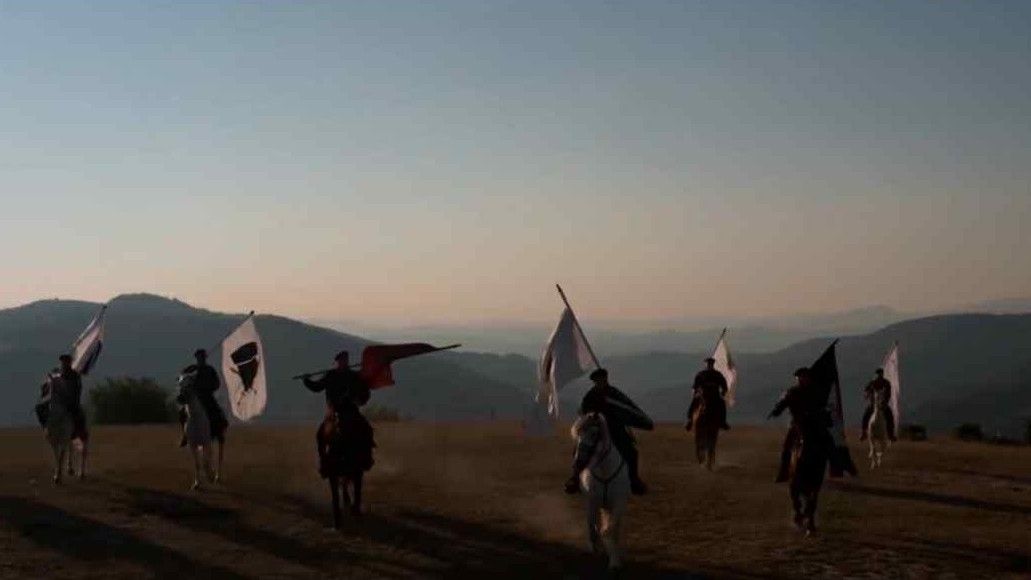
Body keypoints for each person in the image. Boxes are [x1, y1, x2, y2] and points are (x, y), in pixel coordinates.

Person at [568, 368, 651, 496]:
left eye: (601, 379)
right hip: (595, 429)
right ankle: (575, 479)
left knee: (632, 453)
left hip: (614, 428)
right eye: (597, 380)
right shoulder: (590, 395)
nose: (599, 382)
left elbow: (626, 408)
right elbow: (582, 411)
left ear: (606, 379)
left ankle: (633, 481)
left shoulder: (614, 394)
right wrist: (591, 415)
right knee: (581, 449)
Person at [302, 350, 374, 477]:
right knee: (320, 435)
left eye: (345, 360)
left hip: (351, 411)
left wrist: (362, 391)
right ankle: (324, 463)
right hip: (333, 413)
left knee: (367, 429)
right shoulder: (330, 375)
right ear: (337, 362)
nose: (344, 362)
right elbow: (317, 387)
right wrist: (307, 380)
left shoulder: (354, 376)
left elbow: (364, 392)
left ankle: (366, 458)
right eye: (341, 360)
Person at [768, 367, 834, 483]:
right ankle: (784, 473)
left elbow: (824, 407)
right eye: (799, 377)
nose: (801, 379)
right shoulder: (793, 392)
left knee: (824, 444)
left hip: (812, 423)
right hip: (797, 423)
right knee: (787, 447)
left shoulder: (815, 392)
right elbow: (783, 403)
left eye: (803, 377)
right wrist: (776, 410)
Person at [179, 349, 229, 448]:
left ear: (204, 358)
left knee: (218, 413)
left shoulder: (210, 370)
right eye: (199, 358)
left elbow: (217, 383)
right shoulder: (192, 369)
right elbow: (183, 376)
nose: (200, 359)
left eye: (202, 357)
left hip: (207, 396)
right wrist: (185, 376)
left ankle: (218, 433)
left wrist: (209, 387)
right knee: (182, 413)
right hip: (195, 396)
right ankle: (185, 435)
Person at [684, 357, 730, 431]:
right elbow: (695, 386)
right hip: (703, 395)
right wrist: (695, 392)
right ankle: (690, 420)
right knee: (694, 402)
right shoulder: (701, 374)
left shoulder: (717, 375)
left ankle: (723, 421)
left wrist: (723, 392)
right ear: (706, 365)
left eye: (710, 364)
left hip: (715, 396)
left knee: (722, 403)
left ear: (712, 365)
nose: (709, 365)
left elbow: (724, 385)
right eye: (708, 364)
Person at [56, 354, 89, 442]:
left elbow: (78, 388)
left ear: (69, 363)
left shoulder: (75, 375)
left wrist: (72, 397)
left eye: (65, 362)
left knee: (79, 417)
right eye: (63, 362)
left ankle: (81, 435)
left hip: (72, 403)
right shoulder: (58, 375)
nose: (63, 364)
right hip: (61, 403)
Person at [861, 368, 897, 442]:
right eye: (878, 375)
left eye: (880, 374)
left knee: (890, 416)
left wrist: (884, 403)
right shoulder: (872, 383)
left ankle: (891, 434)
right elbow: (866, 391)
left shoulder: (886, 383)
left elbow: (888, 395)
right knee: (866, 415)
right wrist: (867, 395)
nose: (879, 376)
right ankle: (864, 432)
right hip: (873, 404)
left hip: (883, 404)